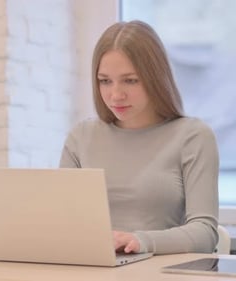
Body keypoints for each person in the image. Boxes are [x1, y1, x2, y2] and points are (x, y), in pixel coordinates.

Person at [59, 20, 219, 255]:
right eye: (105, 81)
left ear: (155, 77)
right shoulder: (81, 137)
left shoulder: (193, 137)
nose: (116, 95)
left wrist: (141, 241)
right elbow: (61, 221)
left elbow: (205, 232)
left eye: (130, 80)